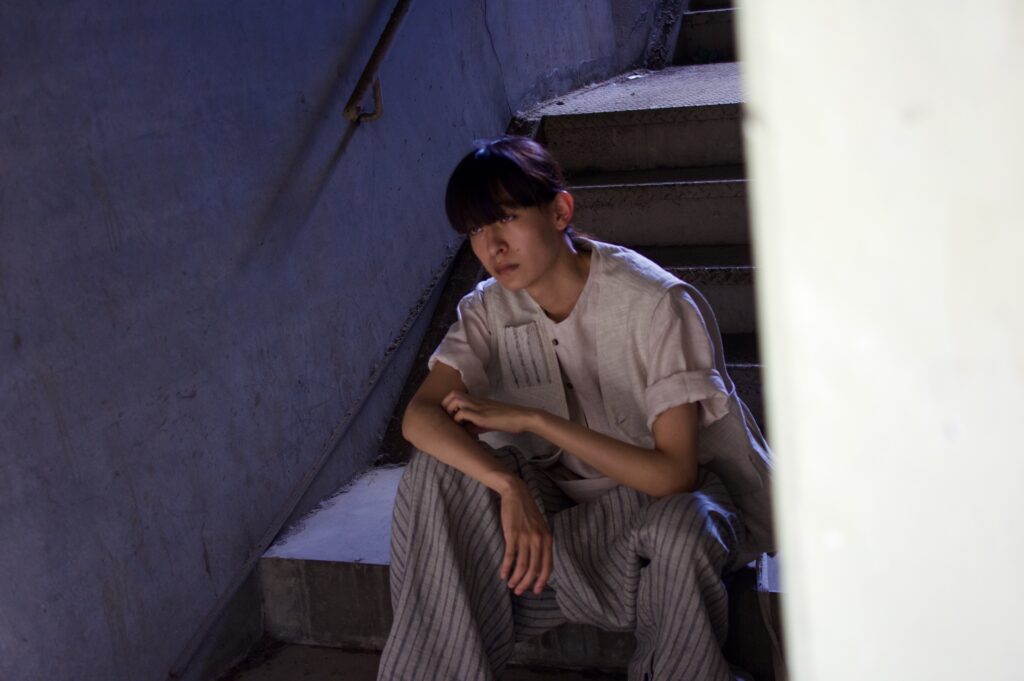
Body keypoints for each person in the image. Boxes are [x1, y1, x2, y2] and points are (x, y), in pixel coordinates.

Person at [377, 135, 775, 681]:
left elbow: (674, 476)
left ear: (560, 211)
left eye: (506, 218)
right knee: (435, 472)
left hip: (665, 505)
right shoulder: (488, 308)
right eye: (475, 230)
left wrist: (535, 420)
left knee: (683, 529)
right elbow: (419, 417)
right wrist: (508, 486)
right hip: (558, 518)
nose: (492, 246)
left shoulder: (655, 303)